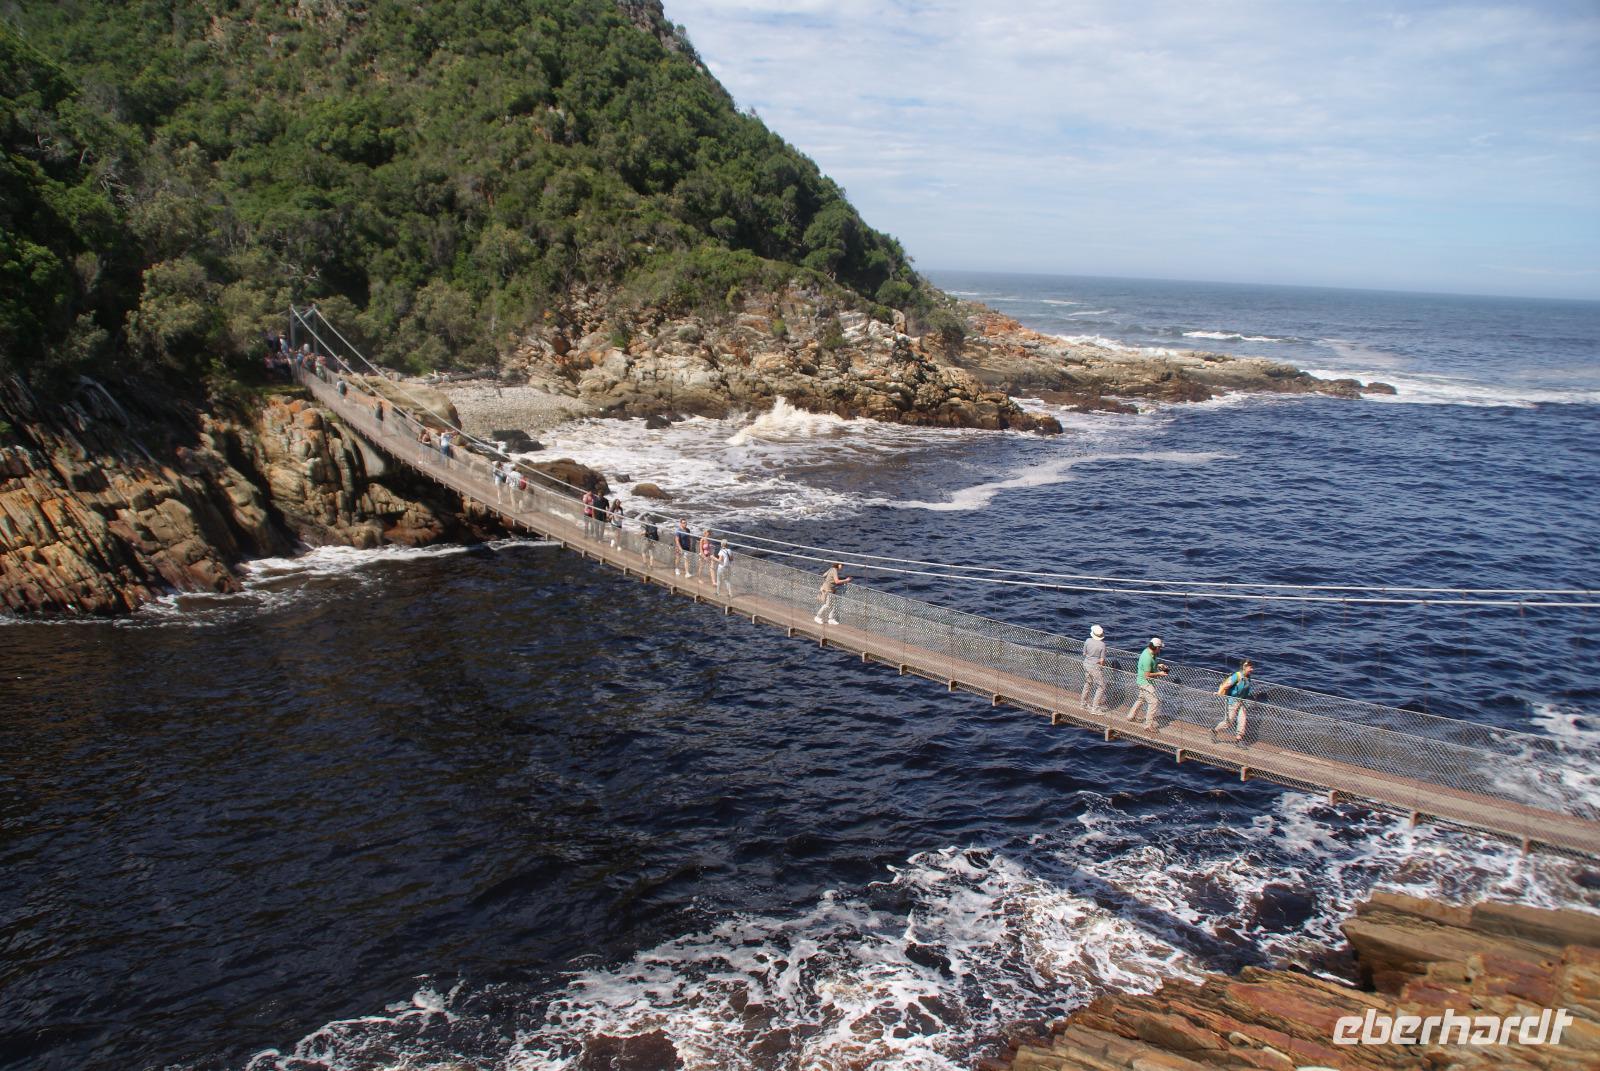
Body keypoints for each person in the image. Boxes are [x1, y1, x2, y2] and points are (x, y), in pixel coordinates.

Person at [1126, 636, 1168, 728]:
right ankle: (1148, 725)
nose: (1160, 650)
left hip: (1141, 681)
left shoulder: (1148, 651)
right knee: (1154, 702)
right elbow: (1147, 675)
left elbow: (1152, 663)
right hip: (1146, 683)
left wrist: (1158, 664)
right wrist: (1160, 673)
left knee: (1141, 699)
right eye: (1160, 648)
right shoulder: (1147, 658)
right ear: (1156, 647)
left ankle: (1131, 716)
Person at [1212, 660, 1254, 743]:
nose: (1252, 669)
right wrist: (1219, 693)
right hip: (1233, 701)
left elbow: (1247, 689)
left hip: (1243, 701)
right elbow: (1226, 685)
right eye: (1250, 667)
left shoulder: (1248, 677)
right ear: (1244, 667)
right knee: (1229, 722)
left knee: (1242, 719)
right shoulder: (1237, 676)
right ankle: (1215, 730)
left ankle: (1238, 739)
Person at [1080, 624, 1107, 714]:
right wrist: (1102, 666)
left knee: (1088, 683)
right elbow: (1102, 660)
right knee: (1101, 686)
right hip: (1095, 667)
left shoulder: (1087, 640)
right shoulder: (1102, 645)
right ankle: (1095, 708)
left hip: (1086, 664)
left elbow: (1084, 653)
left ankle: (1083, 704)